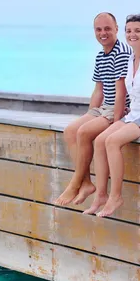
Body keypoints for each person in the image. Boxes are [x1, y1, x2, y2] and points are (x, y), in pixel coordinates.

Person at [83, 13, 140, 217]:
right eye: (129, 31)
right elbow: (130, 93)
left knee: (113, 141)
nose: (132, 34)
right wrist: (122, 115)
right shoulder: (130, 59)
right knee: (100, 141)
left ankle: (116, 196)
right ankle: (100, 195)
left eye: (137, 31)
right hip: (135, 113)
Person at [54, 12, 133, 206]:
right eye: (99, 29)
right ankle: (87, 183)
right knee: (71, 130)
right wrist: (90, 114)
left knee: (84, 132)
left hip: (121, 107)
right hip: (104, 106)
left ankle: (75, 183)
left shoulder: (122, 52)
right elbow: (98, 90)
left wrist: (116, 120)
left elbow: (121, 91)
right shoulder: (100, 55)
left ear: (116, 29)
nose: (103, 33)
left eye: (107, 28)